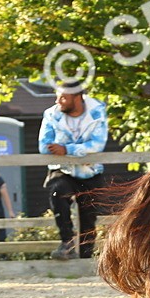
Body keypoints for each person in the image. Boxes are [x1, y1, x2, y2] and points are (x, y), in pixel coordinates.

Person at [39, 84, 108, 259]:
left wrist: (67, 149)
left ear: (77, 97)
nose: (58, 101)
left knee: (89, 215)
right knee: (57, 192)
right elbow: (44, 146)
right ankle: (67, 243)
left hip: (90, 170)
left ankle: (86, 257)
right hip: (63, 169)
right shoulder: (51, 114)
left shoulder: (97, 111)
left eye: (62, 97)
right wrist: (67, 151)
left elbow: (98, 144)